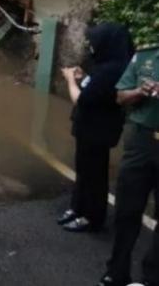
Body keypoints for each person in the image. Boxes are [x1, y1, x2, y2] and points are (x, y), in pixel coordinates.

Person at [59, 23, 133, 233]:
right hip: (89, 128)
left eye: (95, 41)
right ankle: (77, 208)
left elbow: (81, 99)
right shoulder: (104, 64)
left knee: (94, 176)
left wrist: (70, 80)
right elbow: (93, 89)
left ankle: (92, 218)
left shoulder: (112, 69)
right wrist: (83, 77)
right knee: (84, 171)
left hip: (97, 131)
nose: (91, 45)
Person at [99, 42, 159, 286]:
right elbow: (120, 96)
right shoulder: (146, 56)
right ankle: (116, 271)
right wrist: (140, 91)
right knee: (126, 211)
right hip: (141, 143)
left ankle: (152, 277)